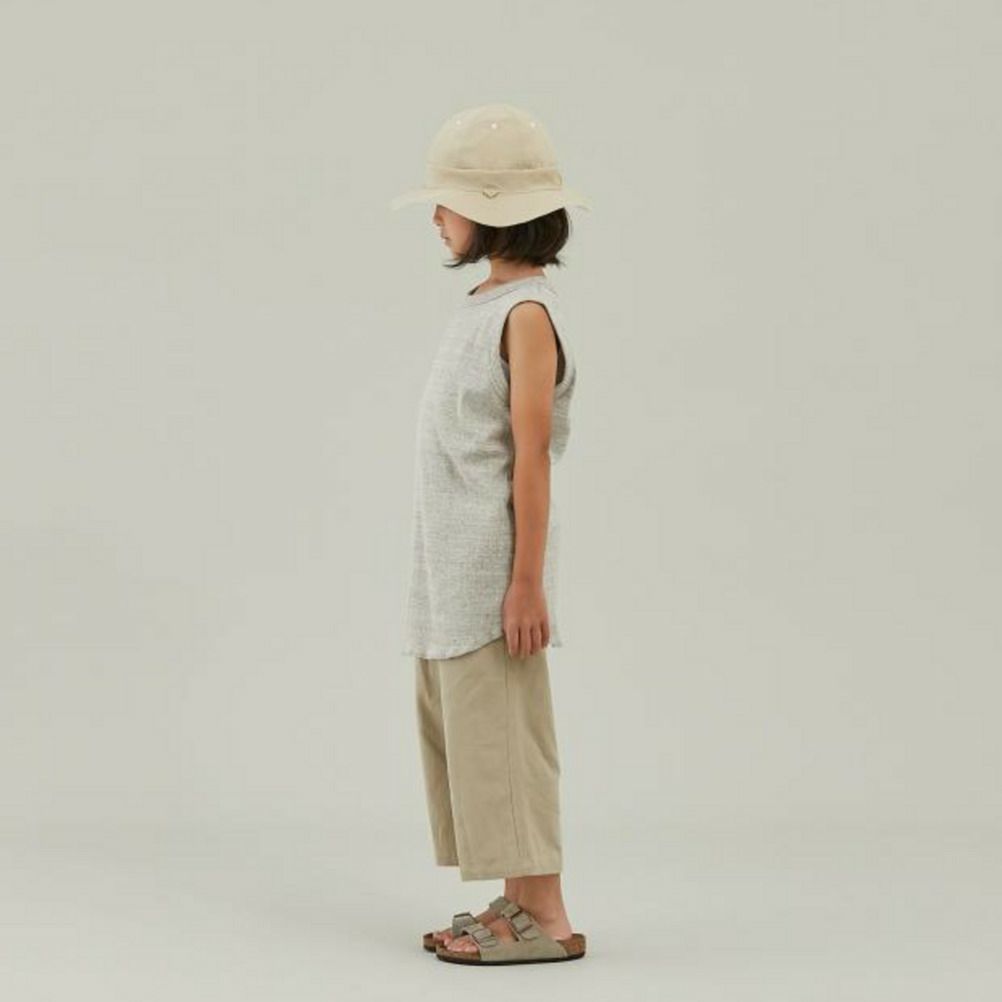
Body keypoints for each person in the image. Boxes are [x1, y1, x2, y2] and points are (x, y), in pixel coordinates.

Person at [389, 102, 590, 966]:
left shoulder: (528, 315)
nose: (437, 214)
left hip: (494, 575)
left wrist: (526, 583)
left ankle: (547, 915)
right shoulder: (485, 305)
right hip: (451, 569)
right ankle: (515, 899)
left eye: (450, 200)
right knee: (475, 741)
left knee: (506, 737)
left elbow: (532, 457)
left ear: (496, 211)